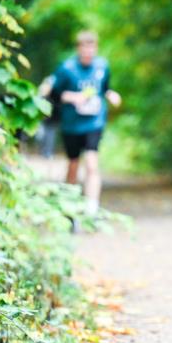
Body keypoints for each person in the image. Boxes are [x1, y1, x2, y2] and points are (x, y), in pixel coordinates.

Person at [50, 30, 121, 218]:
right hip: (72, 124)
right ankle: (69, 206)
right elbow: (54, 94)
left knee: (91, 163)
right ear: (78, 49)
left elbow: (104, 88)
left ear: (96, 48)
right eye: (85, 48)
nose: (88, 52)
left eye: (92, 48)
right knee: (73, 164)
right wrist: (73, 97)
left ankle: (91, 208)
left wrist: (111, 95)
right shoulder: (66, 68)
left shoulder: (102, 66)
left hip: (94, 122)